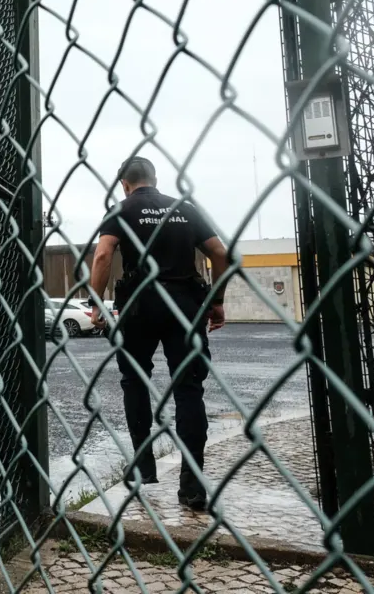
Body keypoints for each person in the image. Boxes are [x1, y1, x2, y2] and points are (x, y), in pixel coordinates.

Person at [86, 156, 229, 511]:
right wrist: (217, 300)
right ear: (155, 178)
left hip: (139, 305)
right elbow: (220, 253)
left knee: (135, 380)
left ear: (124, 182)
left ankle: (143, 467)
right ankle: (193, 487)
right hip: (185, 303)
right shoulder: (185, 208)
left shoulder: (121, 209)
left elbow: (103, 255)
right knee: (189, 389)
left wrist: (95, 304)